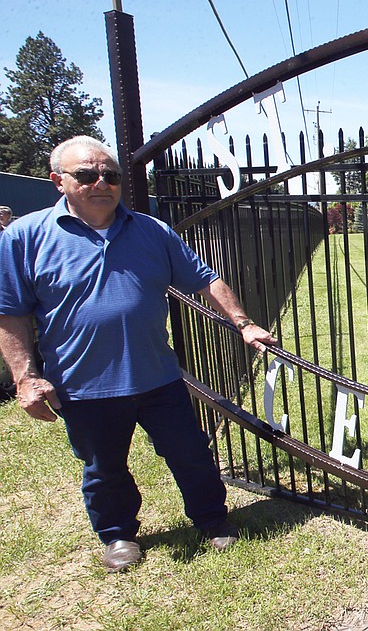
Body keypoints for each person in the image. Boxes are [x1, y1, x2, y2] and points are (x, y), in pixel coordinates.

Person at [0, 136, 277, 573]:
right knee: (104, 467)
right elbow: (10, 311)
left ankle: (211, 519)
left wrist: (243, 324)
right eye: (87, 175)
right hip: (82, 382)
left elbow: (205, 279)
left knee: (191, 452)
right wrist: (24, 376)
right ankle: (118, 536)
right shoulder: (24, 236)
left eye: (109, 175)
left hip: (157, 375)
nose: (101, 183)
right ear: (58, 181)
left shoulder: (151, 231)